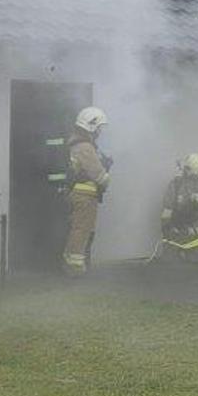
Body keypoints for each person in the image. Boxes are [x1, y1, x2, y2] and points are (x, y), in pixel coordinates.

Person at [64, 106, 110, 275]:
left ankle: (72, 263)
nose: (100, 132)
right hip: (84, 196)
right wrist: (106, 176)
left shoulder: (81, 144)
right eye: (99, 128)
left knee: (80, 228)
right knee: (81, 229)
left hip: (83, 194)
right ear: (91, 125)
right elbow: (98, 175)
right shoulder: (84, 146)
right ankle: (74, 267)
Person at [159, 153, 198, 261]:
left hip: (190, 237)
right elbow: (166, 212)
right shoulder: (176, 185)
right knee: (175, 269)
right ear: (187, 169)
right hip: (177, 236)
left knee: (185, 269)